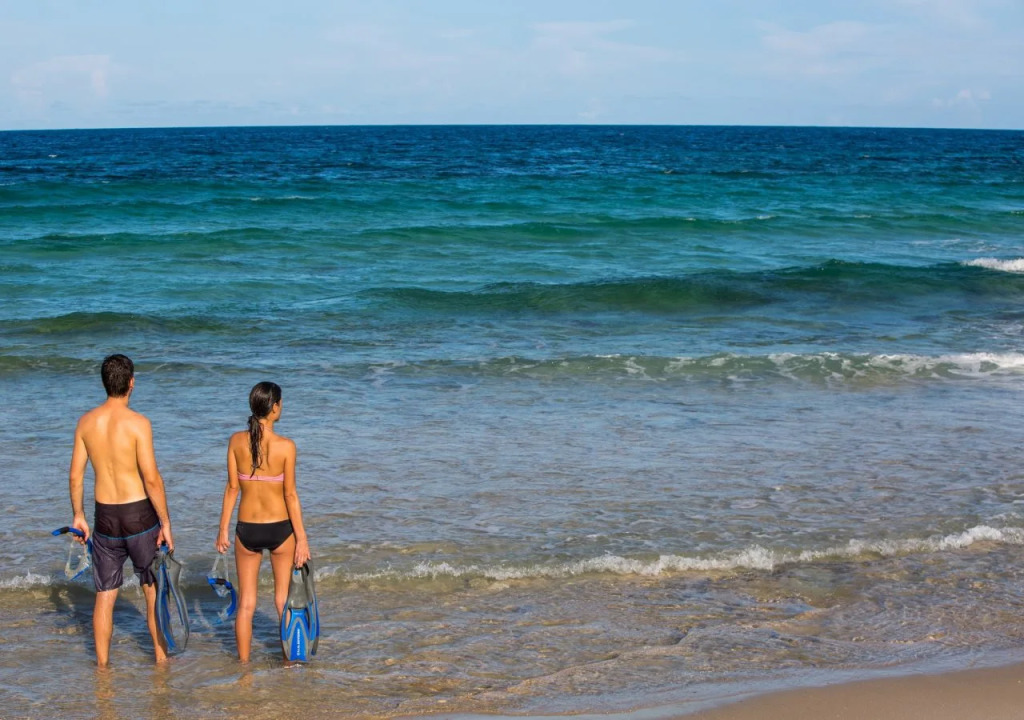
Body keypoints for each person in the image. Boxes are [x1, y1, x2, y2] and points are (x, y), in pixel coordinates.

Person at [68, 354, 174, 666]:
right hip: (139, 515)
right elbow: (151, 479)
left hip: (105, 517)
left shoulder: (86, 423)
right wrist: (166, 522)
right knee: (151, 589)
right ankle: (160, 659)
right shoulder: (139, 423)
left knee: (105, 594)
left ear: (104, 383)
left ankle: (102, 668)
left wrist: (78, 515)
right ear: (131, 383)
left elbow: (75, 476)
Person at [216, 381, 311, 662]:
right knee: (283, 601)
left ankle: (244, 670)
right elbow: (290, 495)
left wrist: (222, 530)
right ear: (275, 407)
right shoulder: (286, 447)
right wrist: (302, 539)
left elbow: (232, 488)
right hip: (281, 529)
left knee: (246, 604)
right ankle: (289, 663)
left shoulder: (236, 441)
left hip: (247, 530)